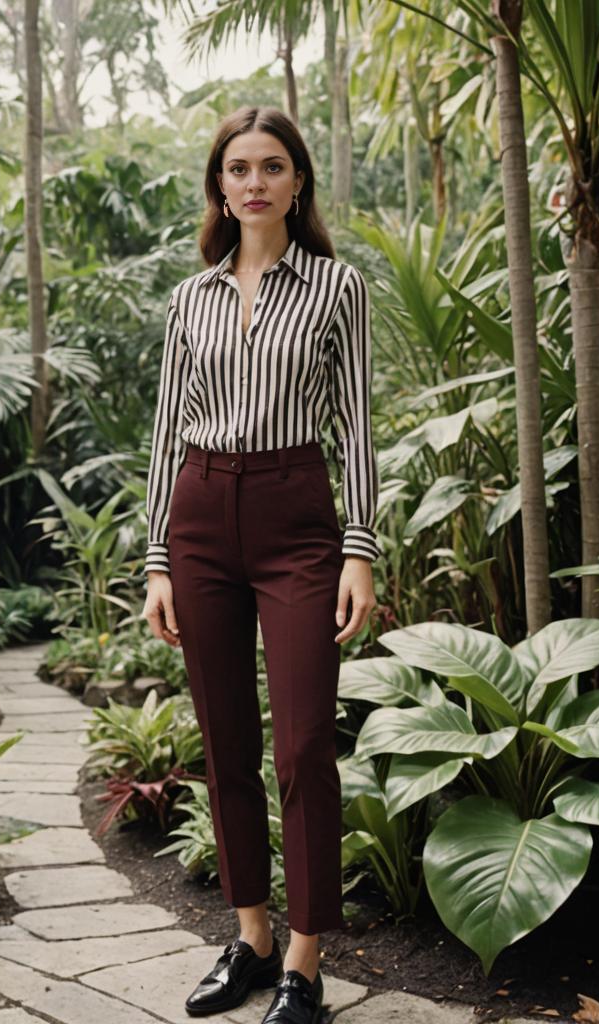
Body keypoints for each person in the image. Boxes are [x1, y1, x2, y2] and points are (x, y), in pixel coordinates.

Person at [140, 105, 380, 1024]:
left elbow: (357, 424)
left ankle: (306, 963)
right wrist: (159, 557)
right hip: (200, 514)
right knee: (226, 740)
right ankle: (249, 938)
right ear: (219, 185)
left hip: (296, 516)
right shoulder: (190, 299)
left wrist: (359, 546)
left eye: (271, 166)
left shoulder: (336, 288)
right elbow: (166, 435)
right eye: (237, 168)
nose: (253, 183)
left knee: (305, 742)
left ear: (297, 182)